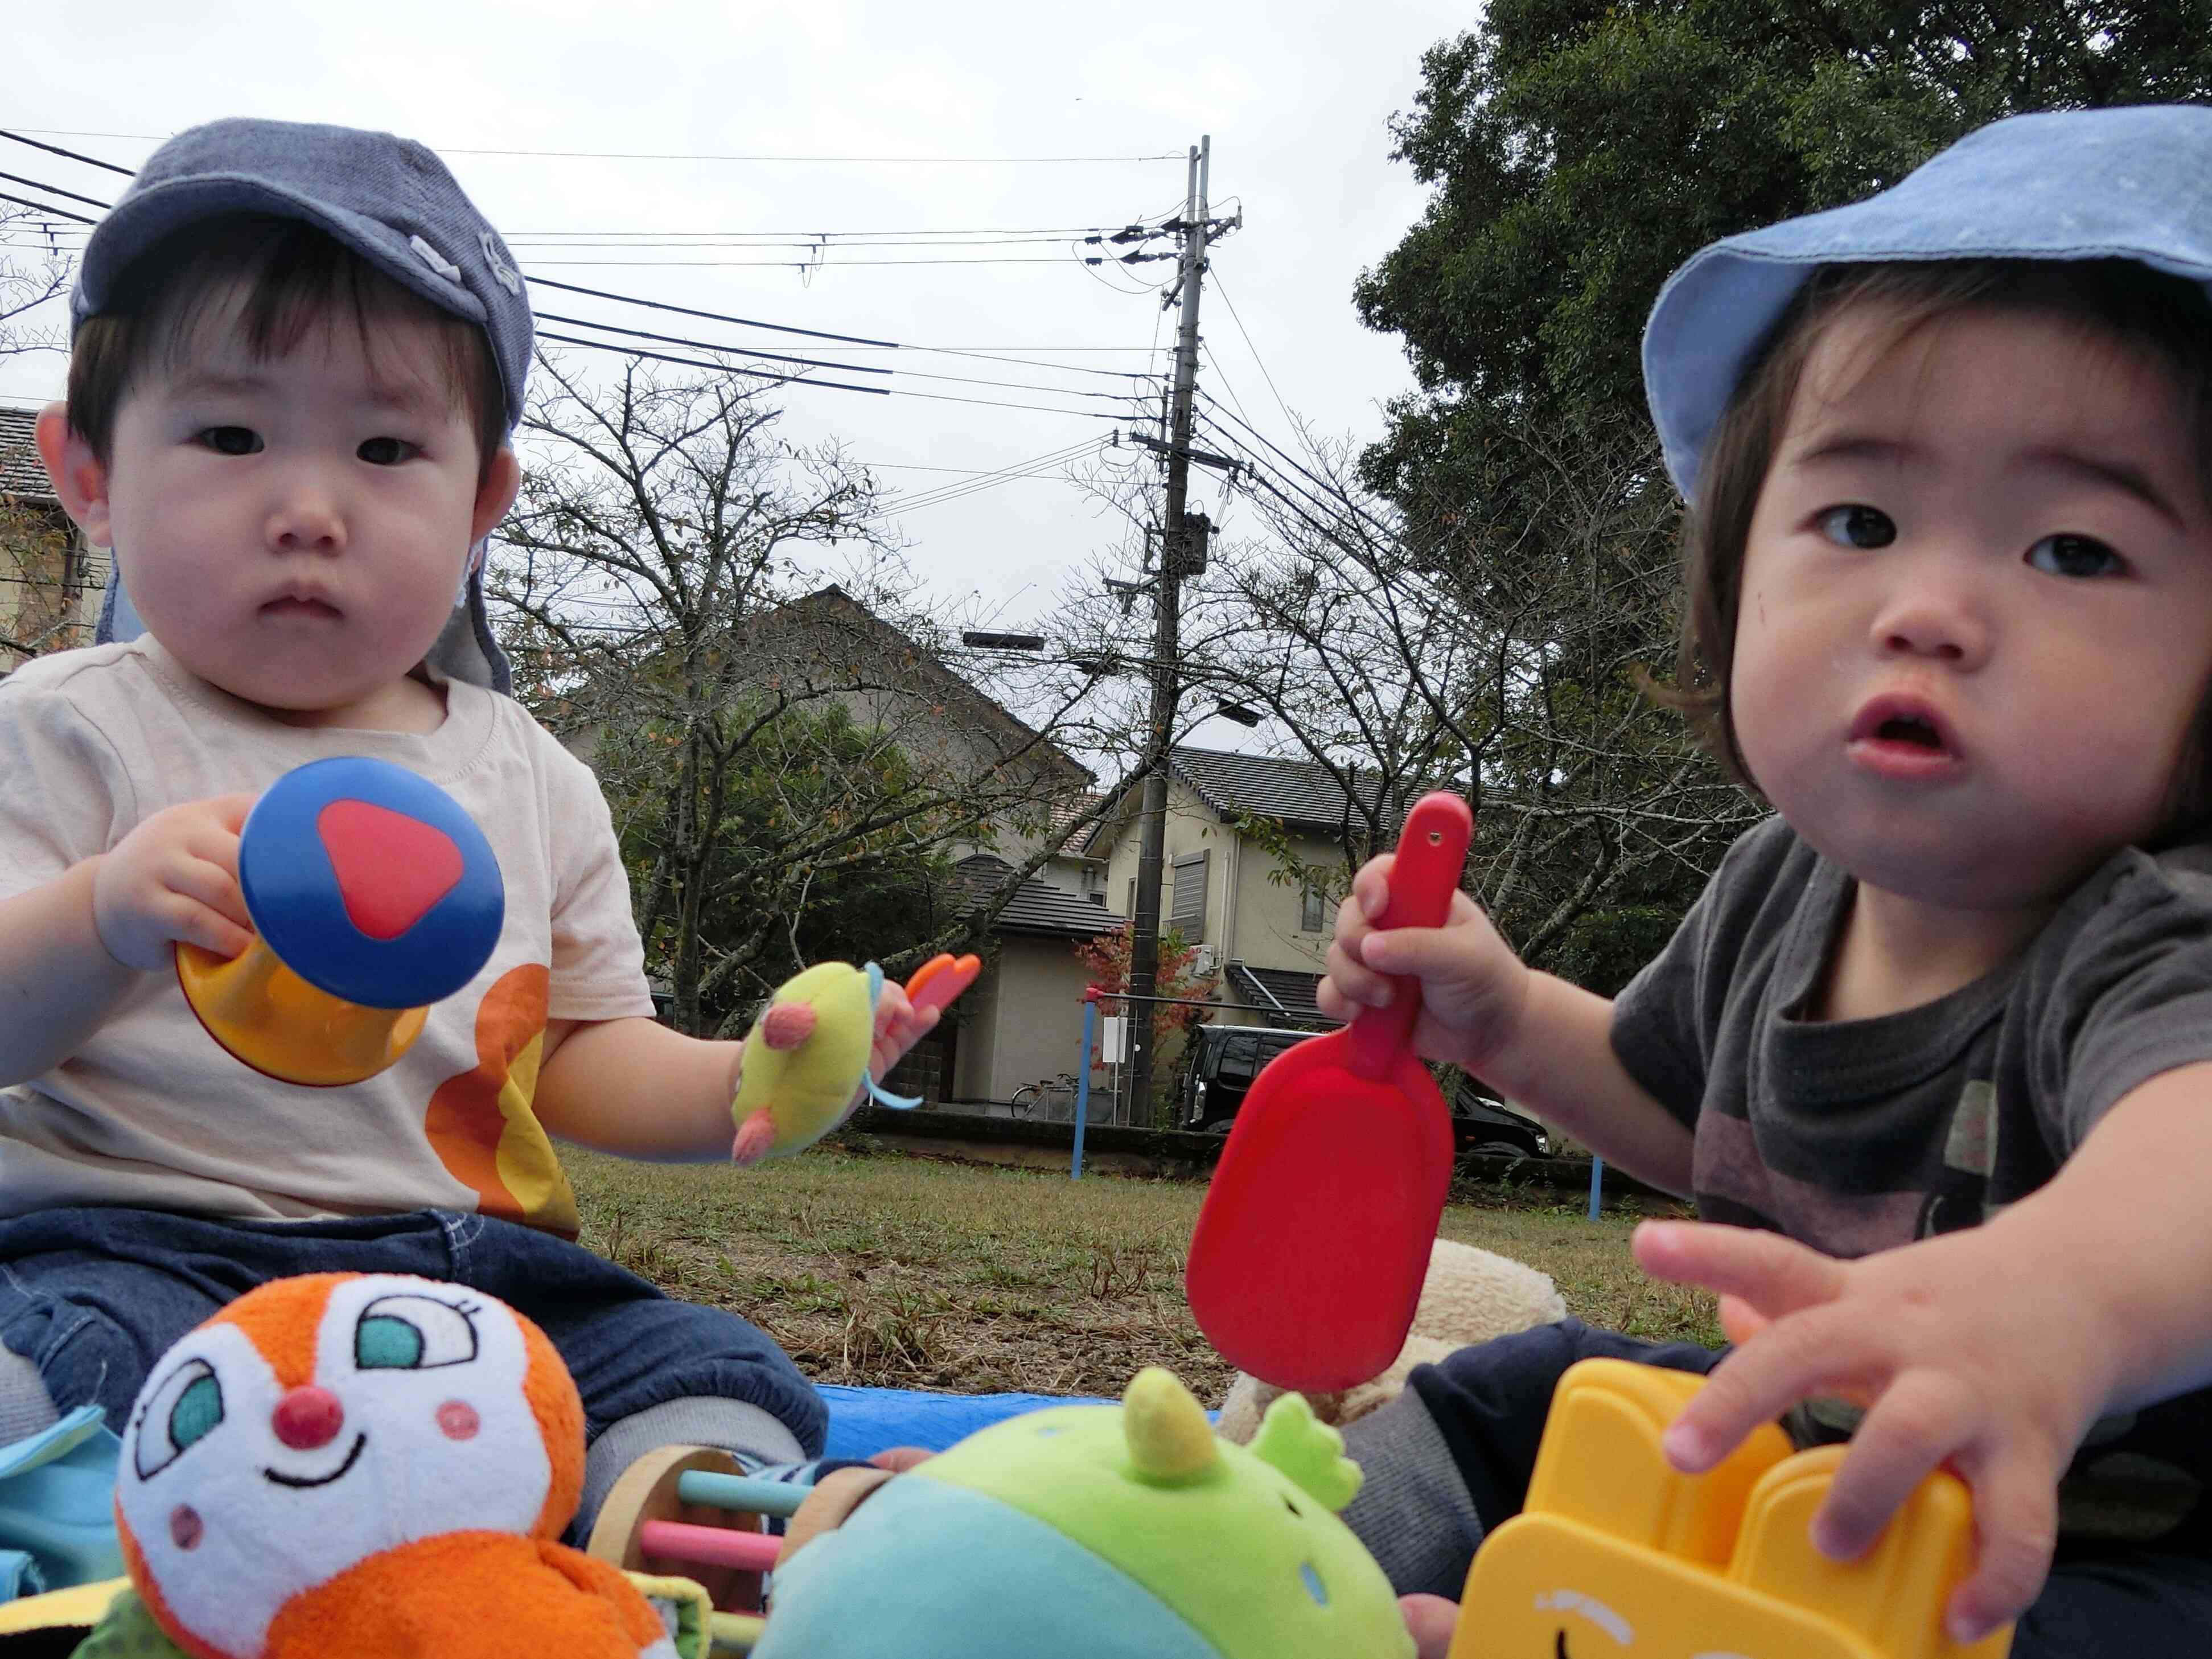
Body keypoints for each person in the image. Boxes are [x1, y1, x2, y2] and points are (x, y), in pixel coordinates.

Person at [1322, 104, 2212, 1658]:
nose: (1926, 607)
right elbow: (1680, 1109)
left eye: (2070, 551)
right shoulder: (1774, 891)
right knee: (1504, 1397)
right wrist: (1505, 1015)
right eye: (1857, 521)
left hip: (2106, 1541)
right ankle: (1276, 1589)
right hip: (1810, 1470)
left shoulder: (2158, 932)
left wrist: (2051, 1303)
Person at [0, 118, 939, 1534]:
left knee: (698, 1364)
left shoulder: (528, 774)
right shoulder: (66, 725)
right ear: (87, 472)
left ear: (483, 500)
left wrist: (742, 1082)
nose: (308, 507)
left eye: (386, 448)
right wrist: (104, 913)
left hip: (462, 1271)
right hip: (141, 1245)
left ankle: (685, 1518)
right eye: (230, 434)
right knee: (52, 1368)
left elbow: (571, 1052)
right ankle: (119, 1520)